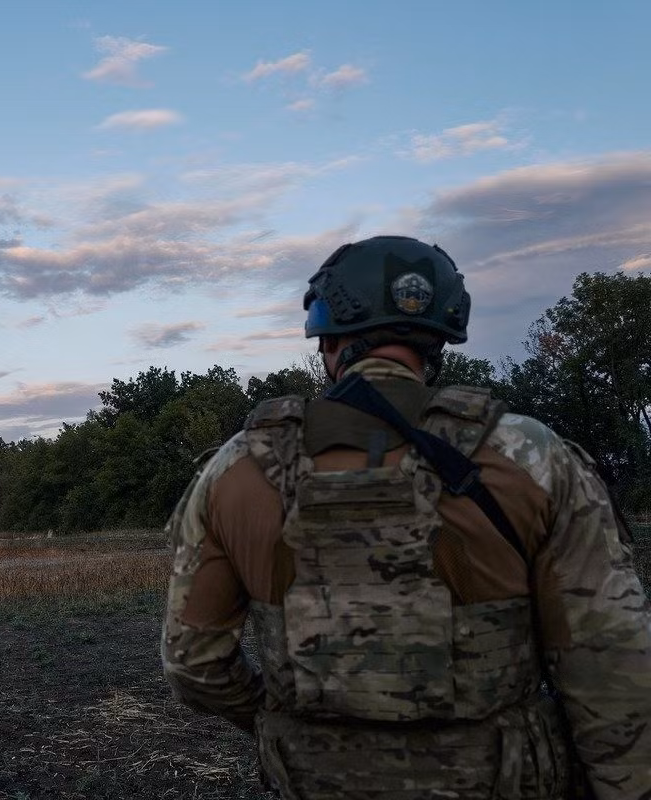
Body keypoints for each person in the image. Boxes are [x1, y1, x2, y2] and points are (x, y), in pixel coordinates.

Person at [161, 235, 651, 799]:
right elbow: (613, 668)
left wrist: (281, 724)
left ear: (328, 341)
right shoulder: (531, 457)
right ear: (438, 337)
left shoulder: (236, 469)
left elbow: (193, 662)